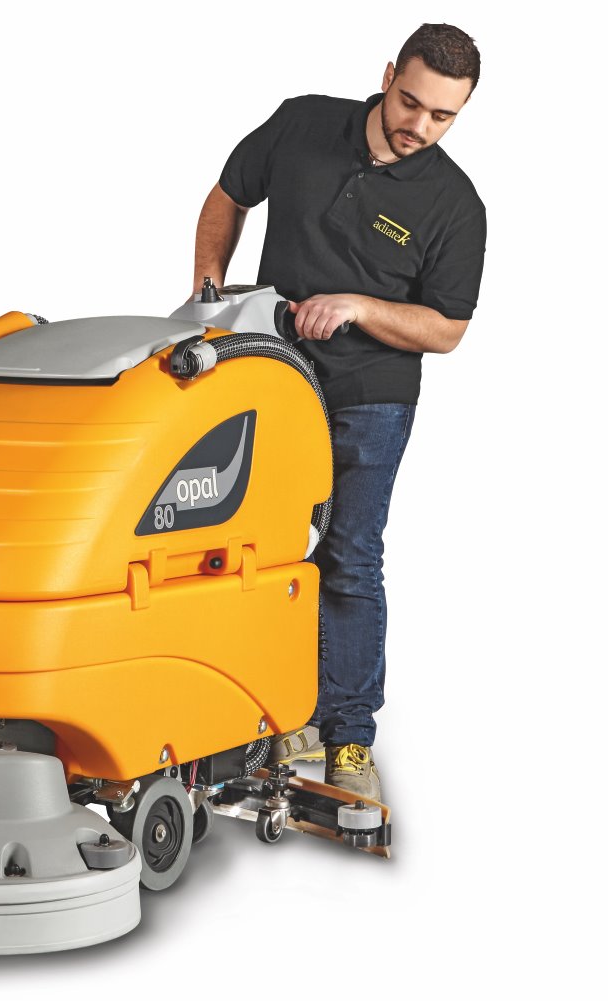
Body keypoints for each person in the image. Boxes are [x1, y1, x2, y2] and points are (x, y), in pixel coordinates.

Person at [192, 24, 486, 799]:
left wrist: (358, 306)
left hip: (370, 398)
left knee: (348, 560)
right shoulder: (302, 124)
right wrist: (208, 288)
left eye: (442, 116)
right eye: (409, 102)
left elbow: (446, 328)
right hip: (265, 375)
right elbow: (228, 195)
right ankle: (264, 719)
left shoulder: (455, 204)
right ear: (387, 74)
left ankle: (347, 736)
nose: (418, 126)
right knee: (249, 553)